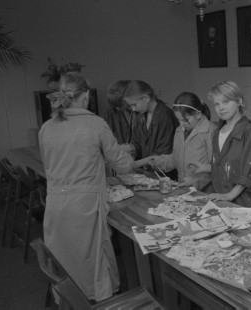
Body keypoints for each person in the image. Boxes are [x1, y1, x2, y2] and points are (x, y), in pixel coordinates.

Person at [39, 72, 148, 302]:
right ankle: (103, 302)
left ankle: (70, 300)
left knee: (66, 260)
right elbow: (124, 166)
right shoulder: (95, 124)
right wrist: (126, 153)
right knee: (95, 265)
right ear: (86, 96)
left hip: (55, 206)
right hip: (85, 208)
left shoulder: (46, 128)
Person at [190, 81, 251, 209]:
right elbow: (226, 165)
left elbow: (250, 170)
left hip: (244, 203)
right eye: (217, 104)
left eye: (226, 102)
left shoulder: (248, 130)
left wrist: (230, 196)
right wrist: (205, 167)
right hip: (222, 200)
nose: (221, 108)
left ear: (239, 101)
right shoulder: (219, 131)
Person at [141, 92, 216, 190]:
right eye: (178, 120)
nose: (181, 124)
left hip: (206, 192)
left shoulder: (210, 131)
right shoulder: (179, 131)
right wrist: (160, 162)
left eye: (185, 120)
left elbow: (217, 168)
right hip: (185, 190)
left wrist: (193, 181)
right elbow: (176, 158)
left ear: (198, 114)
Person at [123, 80, 179, 164]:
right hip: (148, 171)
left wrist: (135, 165)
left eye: (134, 104)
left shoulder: (166, 116)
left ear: (146, 98)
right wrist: (124, 148)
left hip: (164, 173)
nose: (133, 109)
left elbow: (163, 153)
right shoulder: (141, 116)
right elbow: (137, 144)